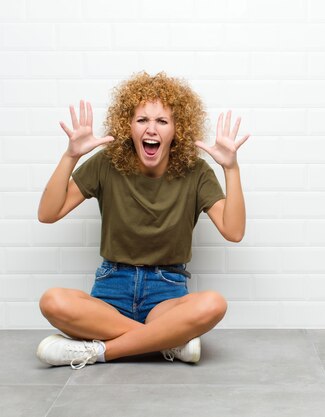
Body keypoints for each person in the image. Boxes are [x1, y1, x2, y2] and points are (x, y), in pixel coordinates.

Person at [35, 72, 249, 369]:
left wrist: (231, 169)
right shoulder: (106, 163)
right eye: (142, 120)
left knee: (214, 304)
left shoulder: (196, 172)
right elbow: (48, 213)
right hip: (111, 290)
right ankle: (168, 343)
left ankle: (97, 351)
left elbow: (234, 231)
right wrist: (71, 156)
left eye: (162, 121)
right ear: (128, 126)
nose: (152, 129)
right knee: (53, 301)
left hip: (167, 292)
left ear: (177, 129)